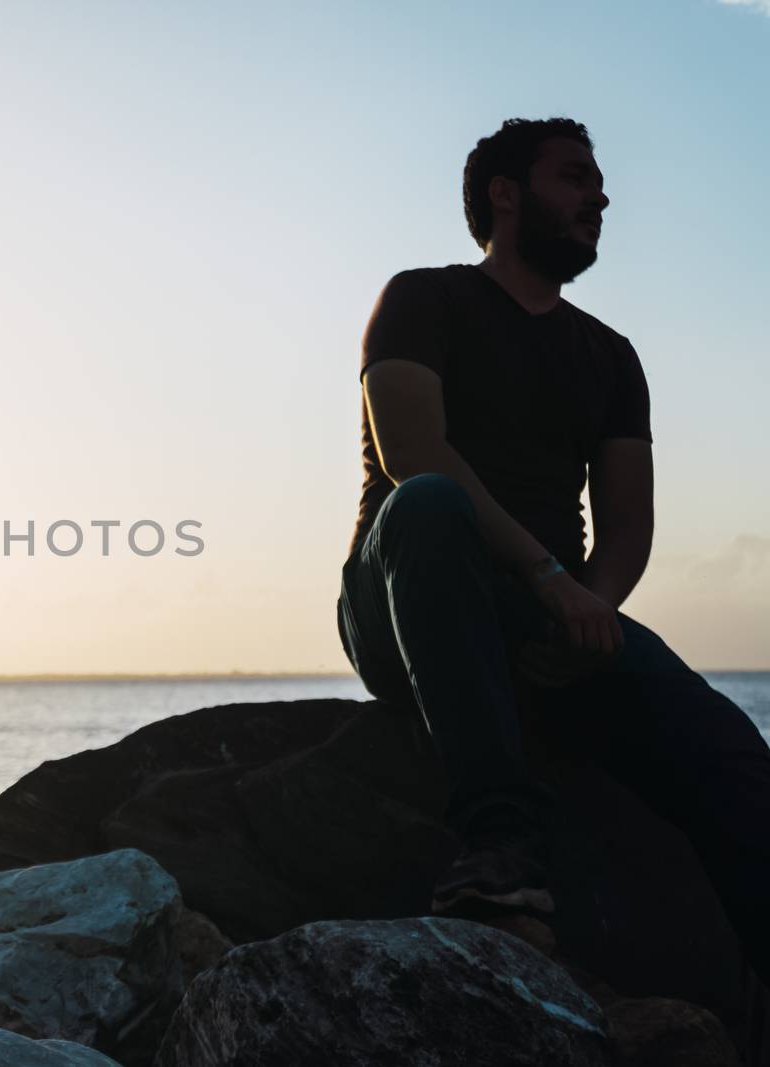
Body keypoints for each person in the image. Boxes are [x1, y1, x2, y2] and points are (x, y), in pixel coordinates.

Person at [336, 116, 770, 982]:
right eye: (574, 178)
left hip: (551, 618)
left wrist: (593, 605)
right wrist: (547, 577)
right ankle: (500, 847)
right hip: (410, 597)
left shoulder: (610, 356)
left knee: (734, 757)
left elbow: (628, 527)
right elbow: (411, 455)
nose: (599, 197)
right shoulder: (424, 298)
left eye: (599, 185)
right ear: (506, 193)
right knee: (426, 504)